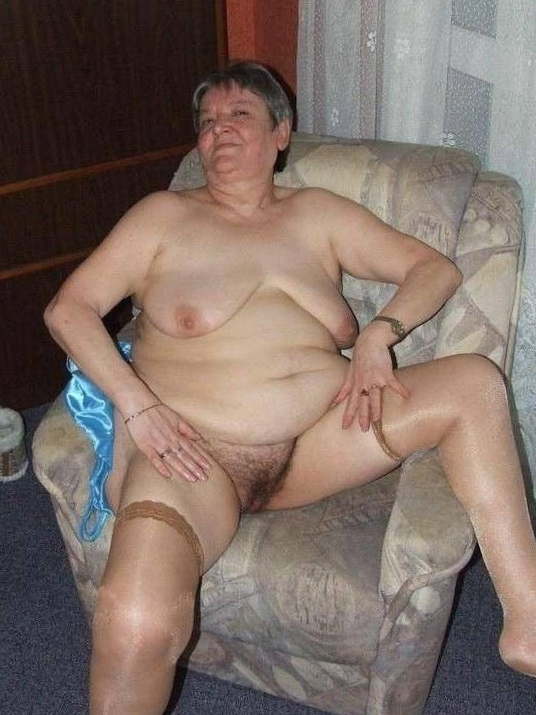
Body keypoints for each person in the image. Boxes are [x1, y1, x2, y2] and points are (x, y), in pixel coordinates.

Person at [44, 61, 536, 714]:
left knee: (473, 382)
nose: (219, 130)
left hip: (321, 443)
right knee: (135, 622)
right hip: (191, 457)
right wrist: (136, 405)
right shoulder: (161, 217)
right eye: (207, 121)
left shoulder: (318, 214)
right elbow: (69, 310)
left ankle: (527, 622)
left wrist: (378, 334)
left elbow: (432, 269)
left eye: (238, 114)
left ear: (281, 134)